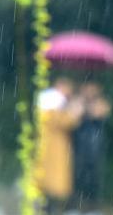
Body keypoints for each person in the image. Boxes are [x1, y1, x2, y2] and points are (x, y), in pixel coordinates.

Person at [34, 77, 82, 215]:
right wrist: (75, 113)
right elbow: (64, 122)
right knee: (52, 187)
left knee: (47, 186)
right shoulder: (54, 104)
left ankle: (48, 208)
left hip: (49, 148)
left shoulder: (49, 103)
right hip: (55, 150)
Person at [72, 82, 111, 215]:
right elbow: (73, 115)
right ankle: (75, 208)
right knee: (77, 179)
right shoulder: (76, 101)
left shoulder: (101, 102)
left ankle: (93, 209)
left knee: (94, 180)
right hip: (79, 147)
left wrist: (87, 108)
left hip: (95, 147)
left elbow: (100, 113)